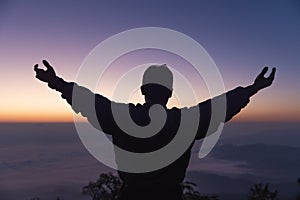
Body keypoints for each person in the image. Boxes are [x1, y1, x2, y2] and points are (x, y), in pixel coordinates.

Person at [34, 60, 276, 200]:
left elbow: (86, 100)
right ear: (169, 93)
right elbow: (221, 106)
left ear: (143, 90)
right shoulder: (186, 122)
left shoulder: (121, 118)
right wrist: (253, 88)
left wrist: (56, 82)